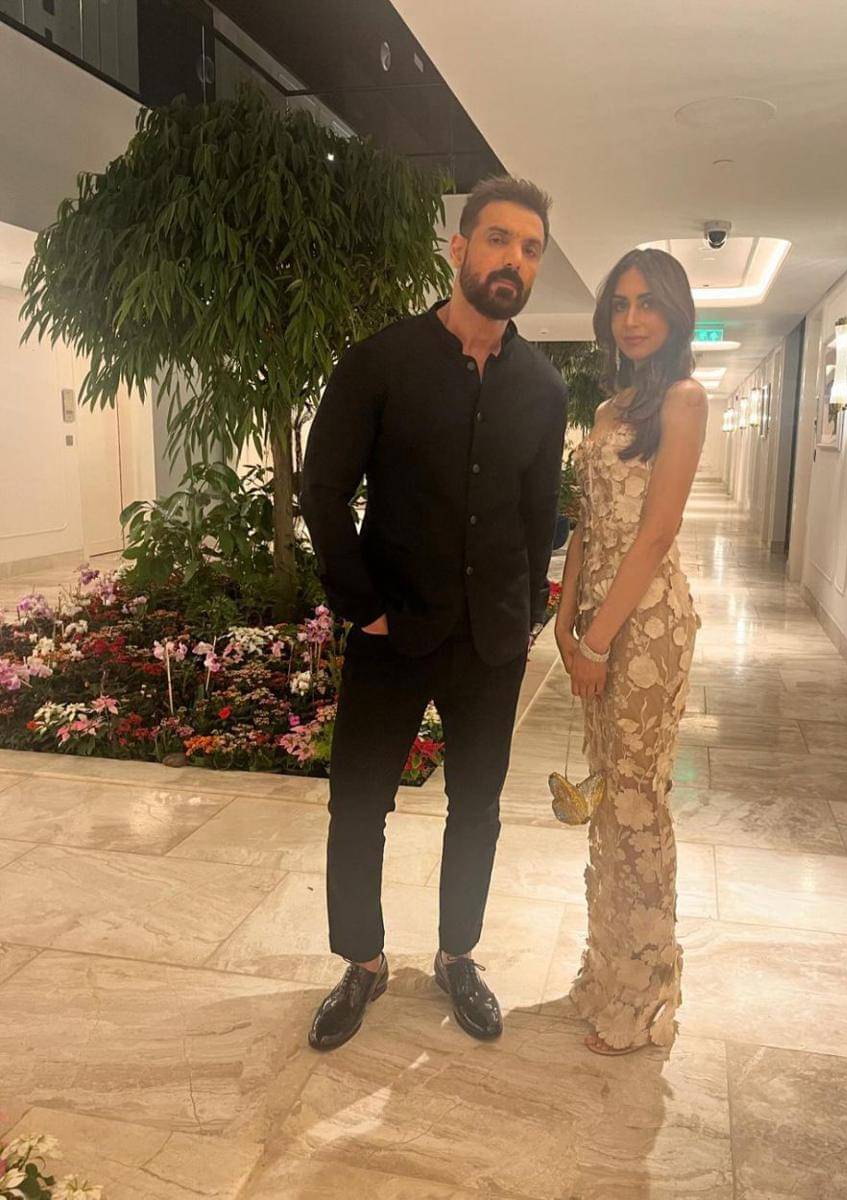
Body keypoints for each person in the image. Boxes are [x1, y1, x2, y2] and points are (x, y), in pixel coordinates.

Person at [300, 176, 567, 1051]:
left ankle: (459, 957)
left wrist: (523, 613)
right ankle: (363, 962)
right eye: (498, 239)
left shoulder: (542, 388)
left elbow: (538, 514)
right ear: (459, 248)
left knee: (477, 809)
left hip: (491, 643)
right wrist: (363, 606)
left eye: (530, 248)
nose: (513, 259)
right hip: (393, 634)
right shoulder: (380, 362)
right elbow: (322, 491)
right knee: (357, 805)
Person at [554, 247, 707, 1056]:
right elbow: (588, 520)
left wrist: (598, 639)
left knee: (638, 802)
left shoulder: (684, 401)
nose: (632, 318)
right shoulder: (613, 405)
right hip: (601, 620)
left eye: (647, 303)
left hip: (645, 629)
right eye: (620, 304)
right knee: (609, 800)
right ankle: (608, 974)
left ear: (674, 314)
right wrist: (565, 615)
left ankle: (645, 999)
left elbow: (656, 533)